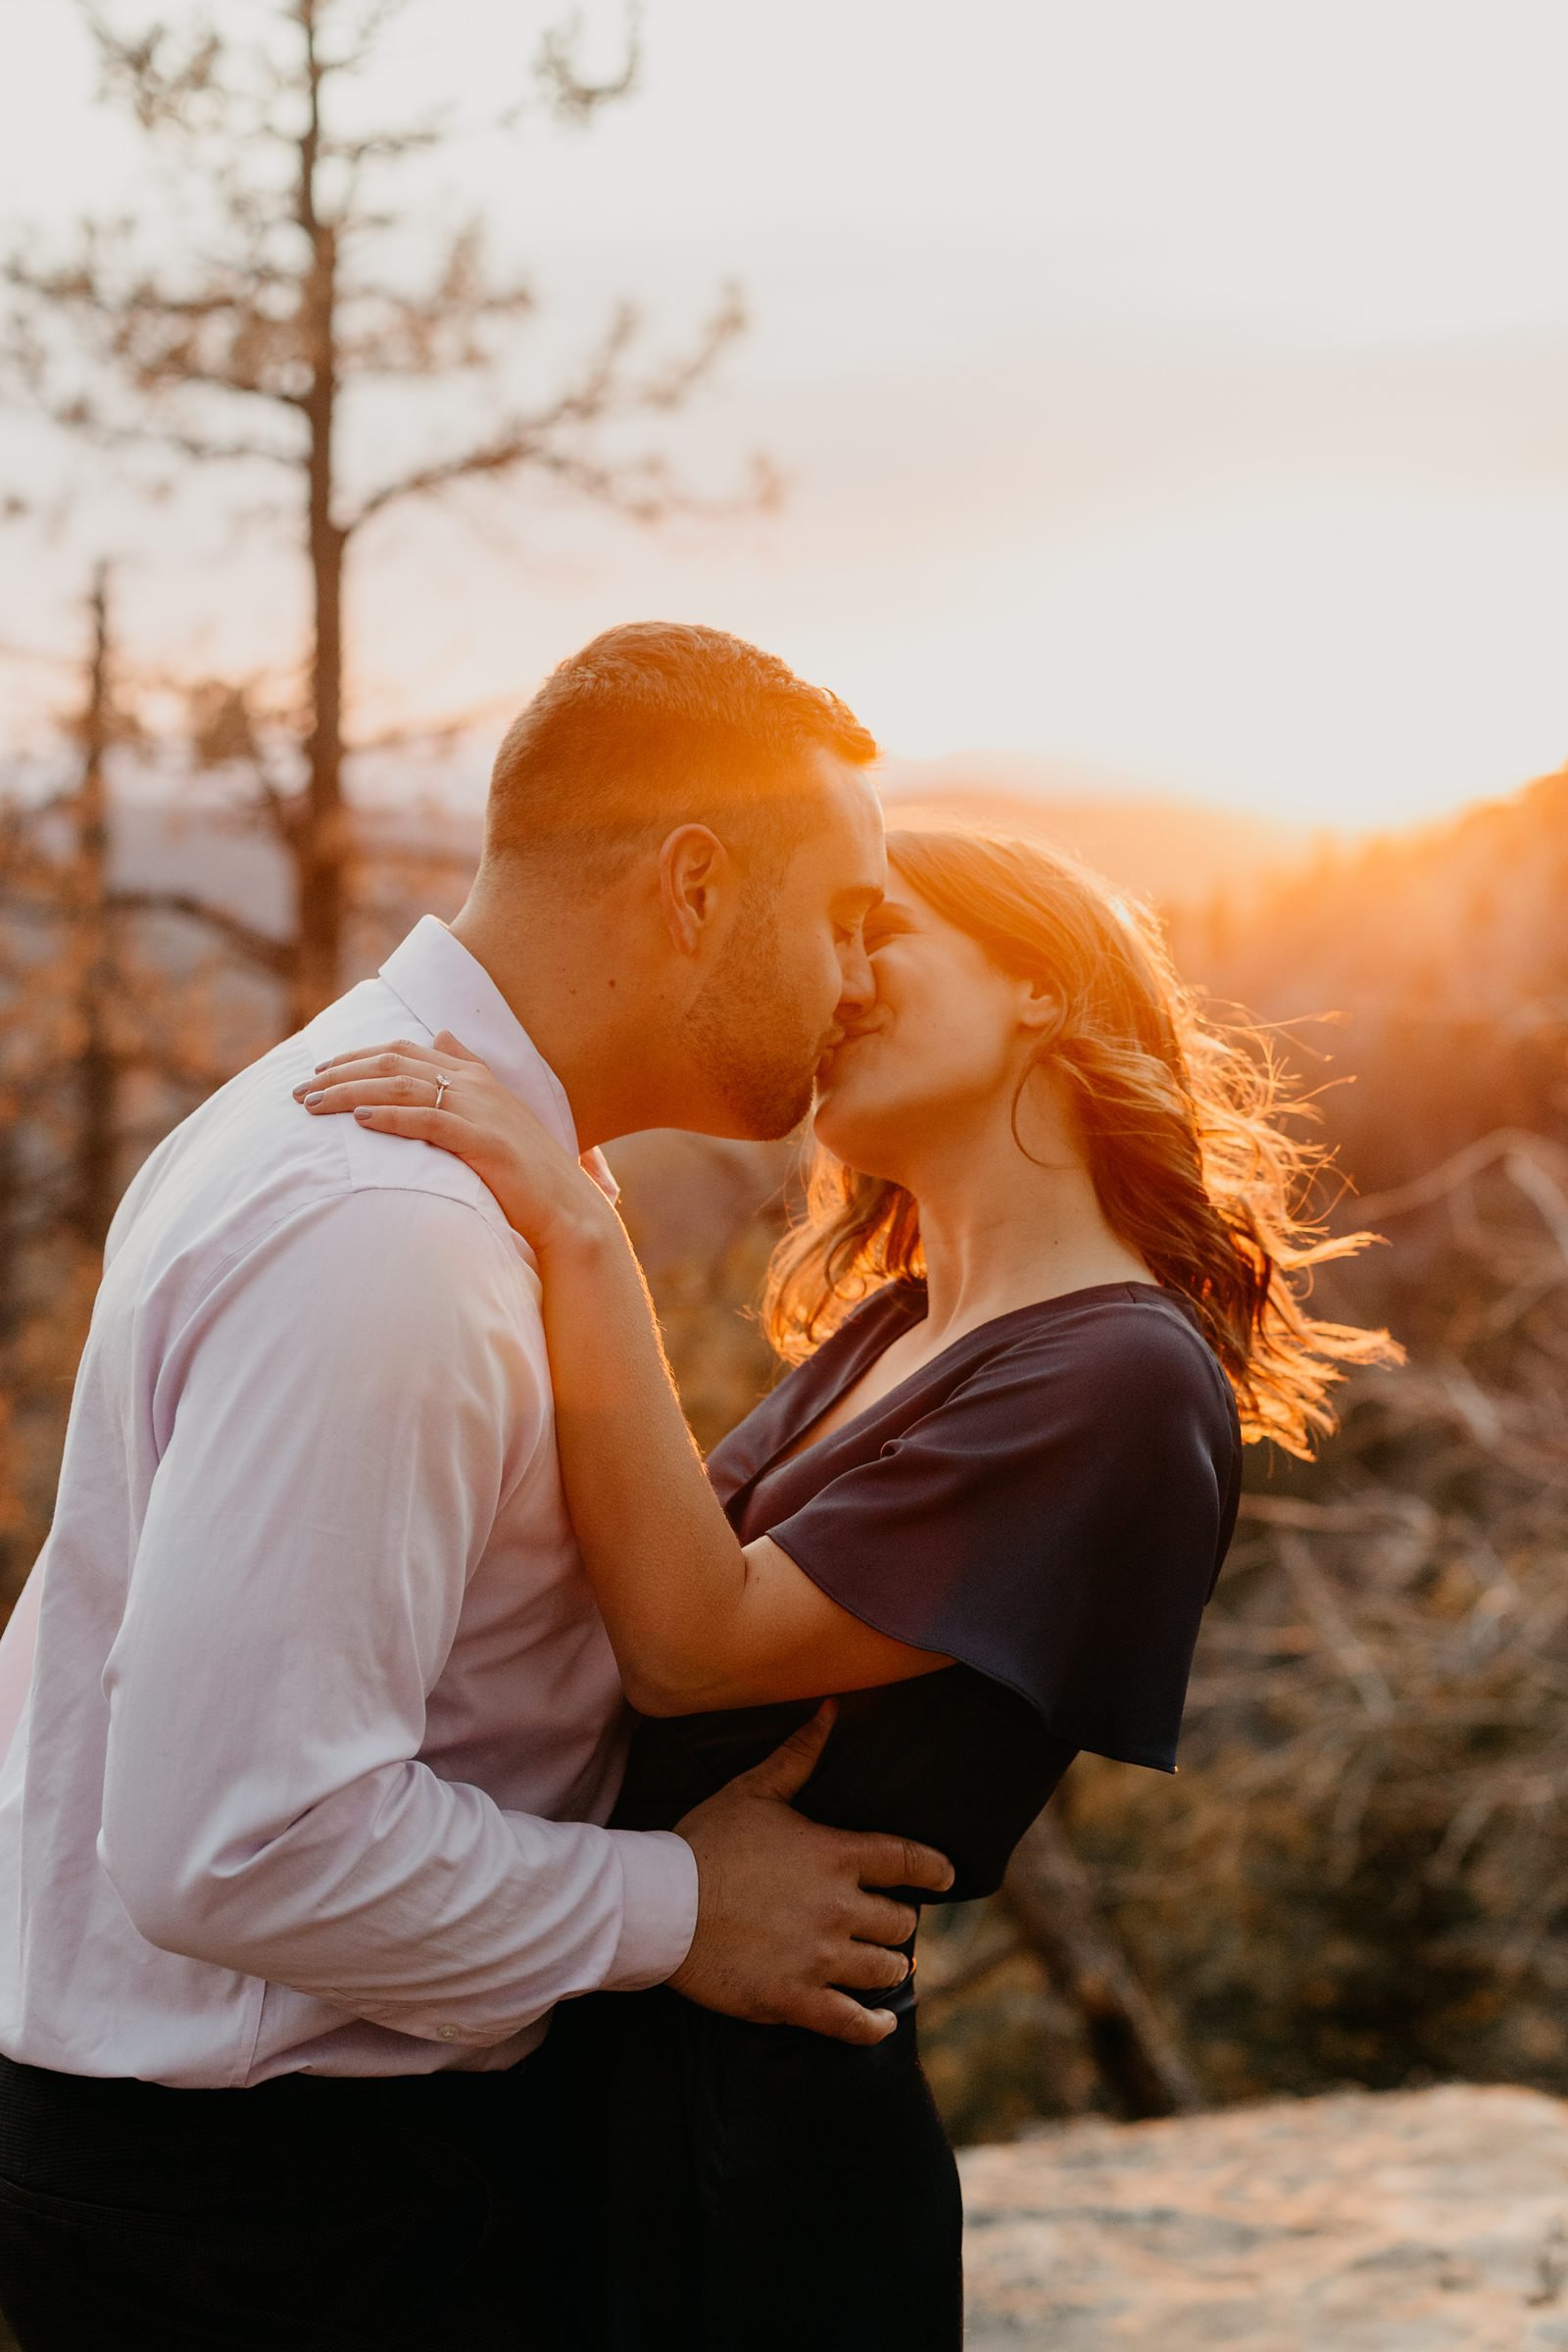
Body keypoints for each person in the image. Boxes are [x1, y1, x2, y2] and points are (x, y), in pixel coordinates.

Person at [307, 822, 1396, 2348]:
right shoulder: (895, 1323)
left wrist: (572, 1221)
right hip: (602, 2089)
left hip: (757, 2163)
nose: (837, 982)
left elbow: (690, 1644)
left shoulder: (1115, 1376)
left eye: (882, 933)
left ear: (1040, 987)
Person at [0, 623, 957, 2352]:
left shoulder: (401, 1152)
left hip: (282, 2182)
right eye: (843, 917)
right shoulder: (392, 1237)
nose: (858, 985)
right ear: (691, 886)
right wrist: (677, 1907)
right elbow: (239, 1845)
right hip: (286, 2227)